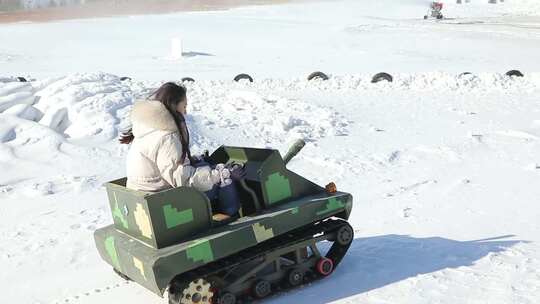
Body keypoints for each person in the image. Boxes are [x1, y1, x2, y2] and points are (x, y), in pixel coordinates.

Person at [120, 82, 243, 220]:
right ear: (173, 105)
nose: (185, 111)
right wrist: (221, 174)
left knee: (206, 168)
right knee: (224, 180)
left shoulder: (148, 128)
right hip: (160, 204)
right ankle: (232, 220)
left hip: (145, 198)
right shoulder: (166, 137)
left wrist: (194, 162)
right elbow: (183, 180)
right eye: (184, 106)